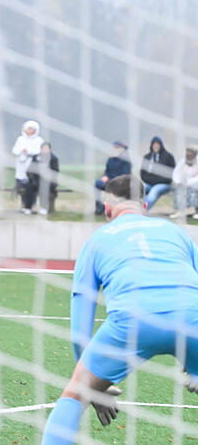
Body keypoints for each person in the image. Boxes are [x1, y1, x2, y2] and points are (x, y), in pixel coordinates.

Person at [41, 174, 198, 444]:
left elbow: (80, 327)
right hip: (192, 318)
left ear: (107, 209)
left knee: (74, 395)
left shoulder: (96, 240)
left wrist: (94, 388)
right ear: (144, 206)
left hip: (132, 321)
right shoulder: (174, 232)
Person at [12, 120, 44, 214]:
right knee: (22, 187)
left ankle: (32, 205)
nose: (30, 130)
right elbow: (15, 151)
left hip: (33, 166)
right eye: (28, 128)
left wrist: (29, 151)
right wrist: (22, 151)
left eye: (32, 129)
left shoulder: (39, 140)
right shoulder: (20, 139)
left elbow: (40, 152)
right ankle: (24, 204)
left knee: (32, 186)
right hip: (22, 165)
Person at [94, 141, 132, 215]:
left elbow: (126, 175)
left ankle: (115, 210)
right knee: (97, 183)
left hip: (119, 183)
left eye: (117, 148)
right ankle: (99, 208)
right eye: (114, 148)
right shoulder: (110, 159)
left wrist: (113, 180)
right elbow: (107, 171)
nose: (115, 149)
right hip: (108, 182)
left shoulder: (126, 161)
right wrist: (105, 176)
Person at [140, 136, 175, 210]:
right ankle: (136, 211)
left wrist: (155, 180)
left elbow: (170, 175)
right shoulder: (147, 157)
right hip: (148, 183)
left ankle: (143, 211)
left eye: (157, 144)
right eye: (154, 144)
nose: (156, 146)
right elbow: (142, 173)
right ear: (151, 145)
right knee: (139, 189)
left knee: (153, 193)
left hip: (163, 184)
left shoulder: (168, 157)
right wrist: (151, 180)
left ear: (161, 145)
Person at [27, 142, 59, 215]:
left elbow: (55, 171)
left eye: (46, 148)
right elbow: (29, 170)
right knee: (29, 186)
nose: (45, 150)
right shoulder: (35, 157)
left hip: (49, 181)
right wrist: (32, 179)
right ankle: (28, 207)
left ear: (50, 150)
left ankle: (43, 208)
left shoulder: (54, 159)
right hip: (36, 180)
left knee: (44, 187)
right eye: (43, 148)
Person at [170, 144, 198, 220]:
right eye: (187, 152)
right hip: (183, 183)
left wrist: (189, 183)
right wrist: (178, 181)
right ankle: (180, 211)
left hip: (194, 184)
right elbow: (176, 172)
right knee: (177, 189)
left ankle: (197, 211)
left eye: (190, 153)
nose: (188, 154)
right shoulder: (183, 160)